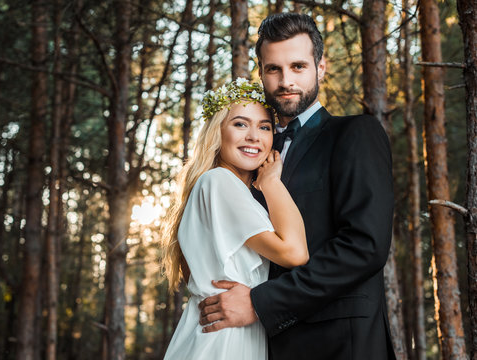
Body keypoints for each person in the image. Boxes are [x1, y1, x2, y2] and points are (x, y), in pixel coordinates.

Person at [198, 13, 396, 360]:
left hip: (340, 344)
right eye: (273, 69)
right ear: (261, 73)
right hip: (257, 344)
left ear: (321, 67)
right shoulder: (252, 154)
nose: (285, 80)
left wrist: (262, 303)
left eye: (298, 66)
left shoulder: (354, 134)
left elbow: (365, 246)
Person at [162, 78, 309, 360]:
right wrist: (272, 183)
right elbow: (295, 253)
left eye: (264, 127)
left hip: (223, 330)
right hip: (223, 339)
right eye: (240, 124)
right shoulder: (219, 182)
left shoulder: (223, 188)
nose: (254, 136)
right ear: (218, 132)